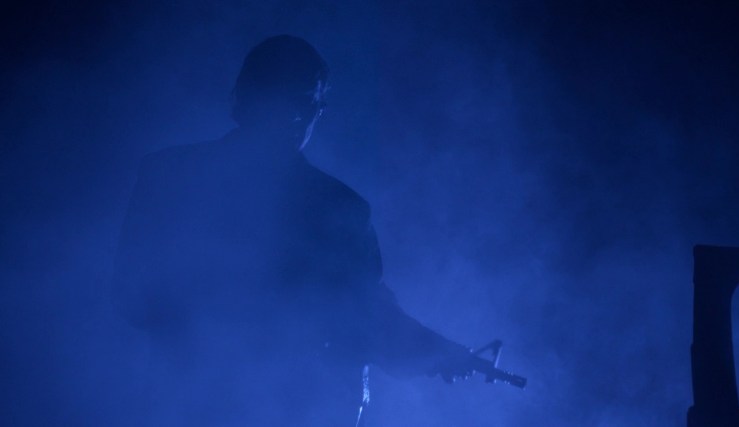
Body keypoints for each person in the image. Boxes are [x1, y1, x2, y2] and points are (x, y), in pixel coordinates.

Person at [112, 35, 472, 426]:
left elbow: (131, 293)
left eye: (305, 104)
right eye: (302, 102)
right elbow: (364, 317)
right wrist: (432, 351)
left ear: (242, 95)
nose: (297, 117)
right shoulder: (337, 206)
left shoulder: (166, 174)